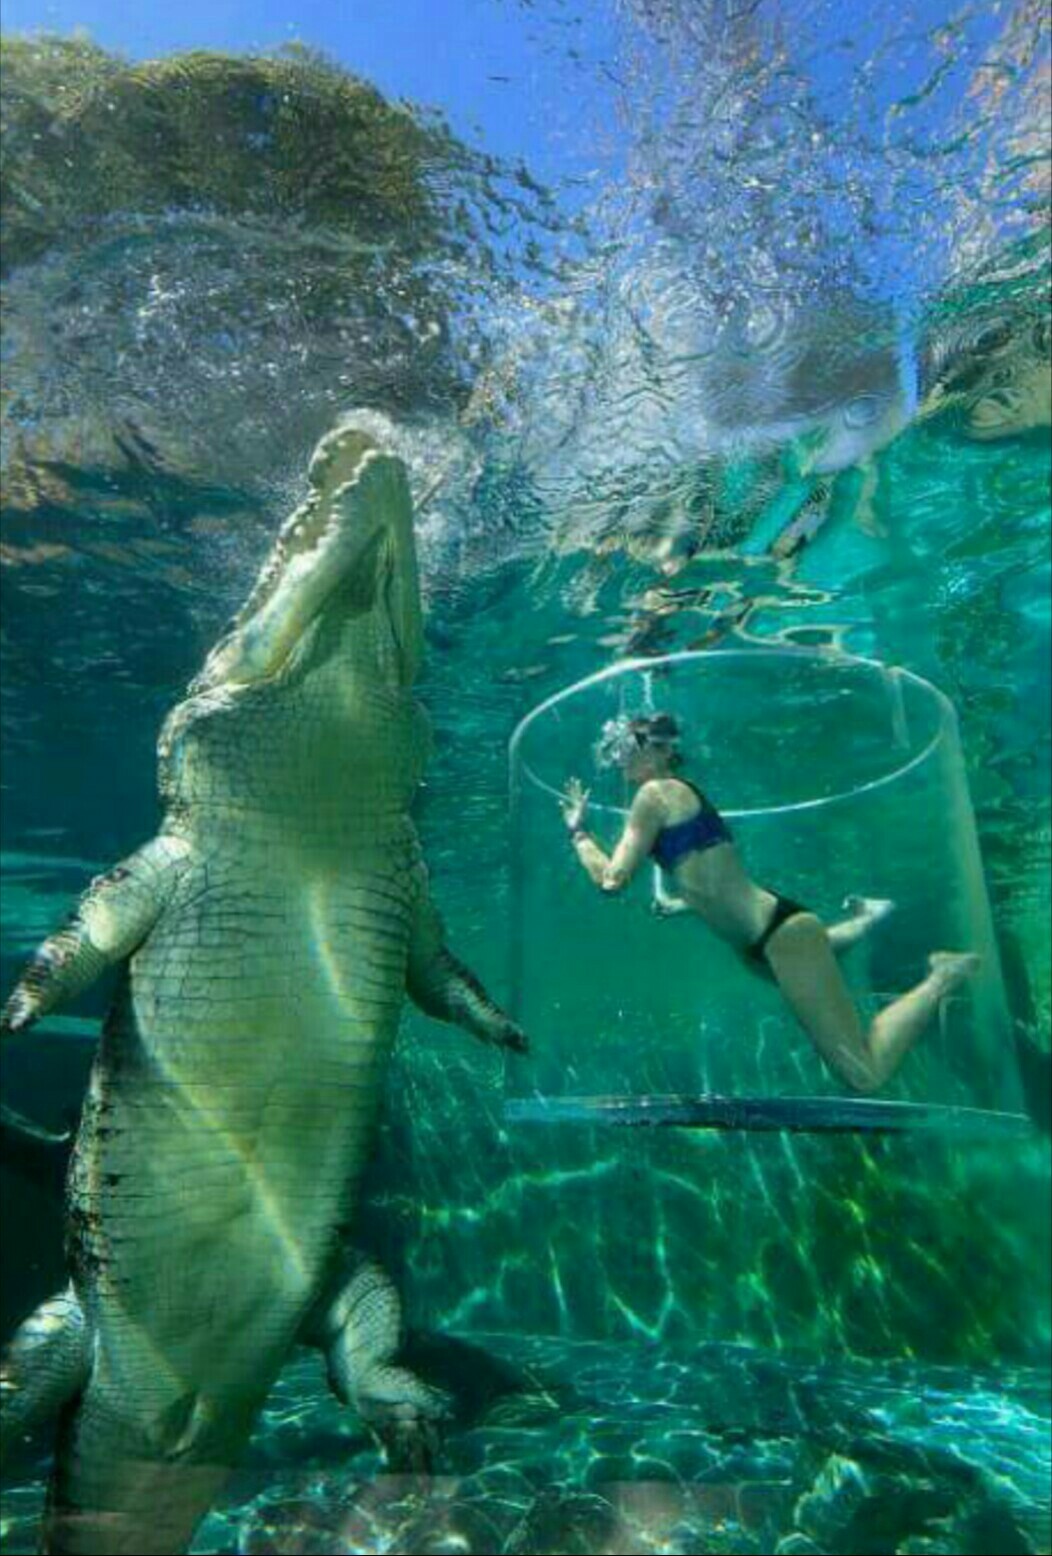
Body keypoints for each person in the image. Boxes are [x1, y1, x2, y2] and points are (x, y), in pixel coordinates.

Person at [561, 712, 979, 1095]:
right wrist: (684, 904)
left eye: (627, 748)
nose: (620, 760)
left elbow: (612, 880)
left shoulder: (656, 794)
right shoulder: (675, 795)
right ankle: (867, 917)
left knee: (862, 1074)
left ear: (661, 749)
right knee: (817, 948)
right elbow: (712, 876)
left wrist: (579, 832)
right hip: (763, 944)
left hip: (778, 934)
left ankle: (944, 975)